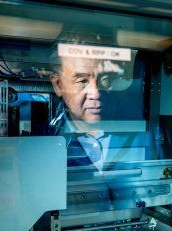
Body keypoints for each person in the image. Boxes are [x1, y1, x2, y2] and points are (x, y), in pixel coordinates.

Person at [48, 32, 127, 169]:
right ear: (58, 85)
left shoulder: (145, 132)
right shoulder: (43, 140)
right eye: (82, 81)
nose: (95, 93)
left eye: (106, 79)